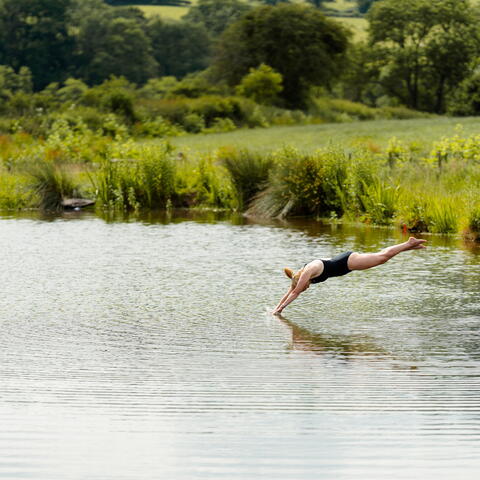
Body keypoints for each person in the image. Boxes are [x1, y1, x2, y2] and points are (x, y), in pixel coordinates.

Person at [272, 236, 426, 315]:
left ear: (302, 281)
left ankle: (408, 243)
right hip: (346, 265)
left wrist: (281, 310)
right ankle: (409, 246)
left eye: (306, 286)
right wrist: (276, 308)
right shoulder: (297, 277)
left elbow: (295, 292)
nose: (307, 287)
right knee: (380, 257)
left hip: (347, 262)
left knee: (381, 258)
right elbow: (289, 291)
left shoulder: (307, 272)